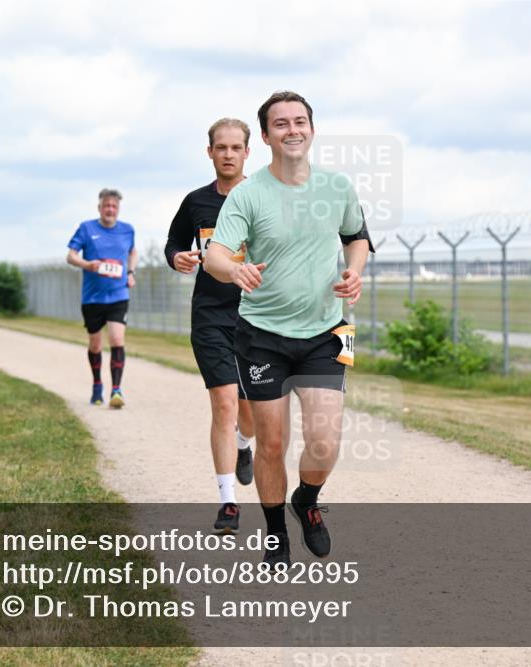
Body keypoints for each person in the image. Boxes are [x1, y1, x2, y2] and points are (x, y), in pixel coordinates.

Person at [204, 91, 373, 568]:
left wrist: (355, 269)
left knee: (325, 441)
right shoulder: (248, 194)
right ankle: (276, 530)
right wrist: (234, 271)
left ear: (312, 129)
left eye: (300, 121)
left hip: (329, 330)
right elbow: (217, 253)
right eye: (281, 124)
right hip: (262, 335)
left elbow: (356, 236)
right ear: (266, 135)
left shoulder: (337, 186)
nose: (292, 129)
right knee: (272, 442)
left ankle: (308, 501)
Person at [165, 118, 257, 533]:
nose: (228, 154)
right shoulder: (196, 202)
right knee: (223, 402)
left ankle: (243, 445)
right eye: (221, 148)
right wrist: (177, 258)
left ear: (247, 153)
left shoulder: (265, 198)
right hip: (210, 315)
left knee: (250, 410)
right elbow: (174, 243)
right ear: (210, 153)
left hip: (258, 316)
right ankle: (228, 503)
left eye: (236, 148)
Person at [67, 188, 137, 408]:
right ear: (100, 208)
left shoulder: (127, 230)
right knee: (95, 344)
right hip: (92, 297)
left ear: (118, 209)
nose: (110, 210)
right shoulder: (86, 228)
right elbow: (70, 256)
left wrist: (131, 272)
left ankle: (116, 390)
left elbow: (133, 252)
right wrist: (88, 265)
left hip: (118, 294)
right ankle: (97, 385)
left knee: (117, 339)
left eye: (114, 206)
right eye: (106, 205)